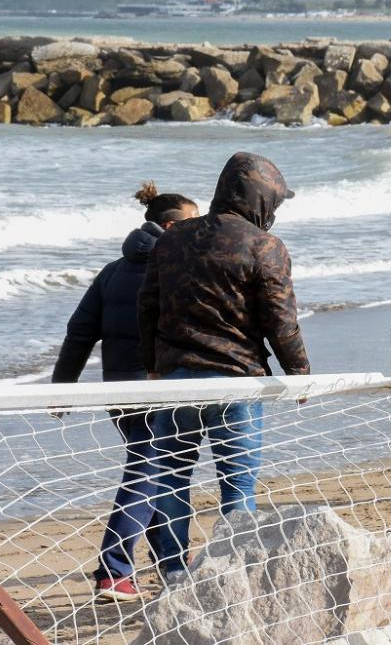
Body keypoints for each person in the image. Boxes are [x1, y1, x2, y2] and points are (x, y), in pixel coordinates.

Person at [138, 152, 309, 582]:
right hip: (236, 384)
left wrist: (153, 368)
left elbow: (147, 309)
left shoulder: (172, 238)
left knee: (173, 481)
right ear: (260, 198)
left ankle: (173, 573)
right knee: (237, 487)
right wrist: (301, 374)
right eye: (275, 202)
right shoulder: (264, 246)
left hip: (174, 383)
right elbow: (280, 320)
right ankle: (230, 573)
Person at [51, 182, 199, 603]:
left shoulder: (113, 271)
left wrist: (63, 388)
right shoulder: (173, 269)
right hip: (159, 388)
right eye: (192, 223)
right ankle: (113, 570)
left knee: (155, 473)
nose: (199, 230)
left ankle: (171, 563)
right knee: (149, 473)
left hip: (118, 392)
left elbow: (79, 332)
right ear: (170, 226)